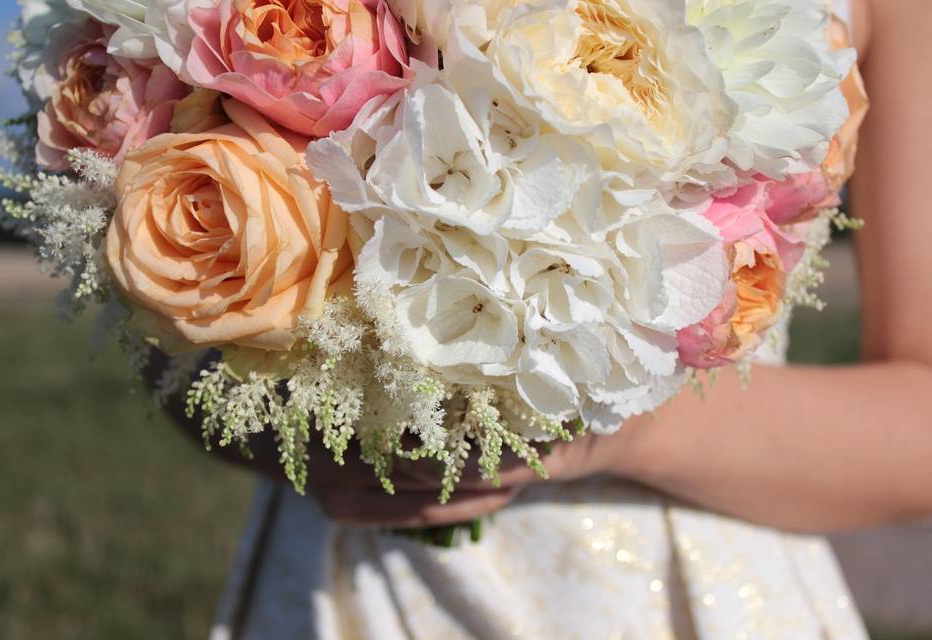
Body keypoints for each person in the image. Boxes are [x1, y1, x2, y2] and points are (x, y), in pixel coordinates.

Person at [161, 0, 932, 636]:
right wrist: (319, 427)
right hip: (354, 581)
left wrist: (604, 428)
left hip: (683, 593)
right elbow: (160, 331)